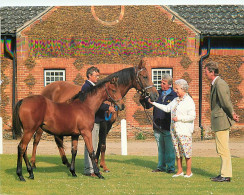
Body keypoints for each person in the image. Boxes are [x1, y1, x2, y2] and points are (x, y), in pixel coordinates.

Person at [148, 79, 196, 178]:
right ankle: (179, 171)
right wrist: (154, 104)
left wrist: (180, 118)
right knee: (177, 152)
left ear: (183, 89)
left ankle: (189, 172)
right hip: (174, 129)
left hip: (184, 130)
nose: (175, 90)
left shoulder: (189, 101)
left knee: (186, 151)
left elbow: (192, 116)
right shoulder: (175, 100)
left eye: (177, 89)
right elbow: (167, 108)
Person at [204, 61, 239, 182]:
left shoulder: (220, 84)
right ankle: (223, 173)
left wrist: (232, 114)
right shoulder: (216, 83)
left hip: (222, 121)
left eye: (206, 72)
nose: (205, 75)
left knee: (223, 149)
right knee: (221, 149)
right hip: (219, 121)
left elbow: (226, 102)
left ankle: (226, 175)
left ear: (212, 72)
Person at [81, 66, 115, 177]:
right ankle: (89, 169)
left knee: (95, 145)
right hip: (92, 119)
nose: (97, 78)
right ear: (89, 76)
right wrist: (107, 108)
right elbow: (93, 104)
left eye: (98, 76)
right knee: (91, 145)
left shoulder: (93, 86)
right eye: (96, 75)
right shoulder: (87, 87)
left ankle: (92, 168)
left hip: (98, 118)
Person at [140, 74, 177, 173]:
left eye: (163, 83)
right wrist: (143, 99)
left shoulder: (174, 95)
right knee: (160, 148)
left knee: (169, 149)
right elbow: (148, 105)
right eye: (161, 82)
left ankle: (170, 168)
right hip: (157, 125)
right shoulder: (157, 93)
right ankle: (160, 167)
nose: (161, 84)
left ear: (169, 85)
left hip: (167, 126)